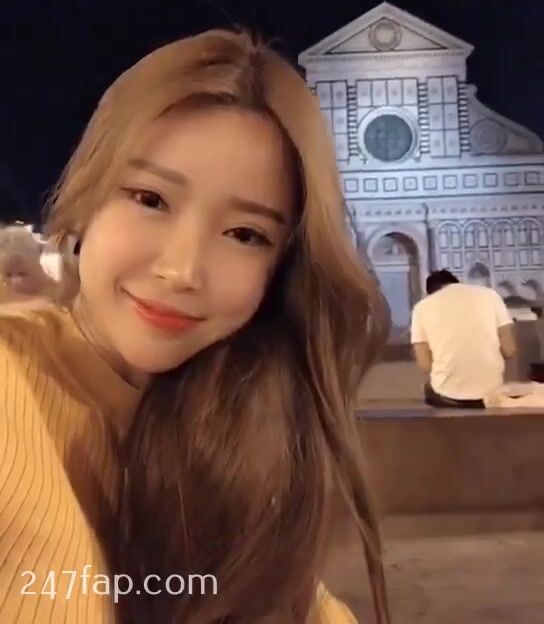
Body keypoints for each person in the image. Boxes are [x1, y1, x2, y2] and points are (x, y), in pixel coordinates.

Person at [0, 30, 391, 624]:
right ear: (87, 196)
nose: (181, 270)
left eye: (245, 234)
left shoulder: (243, 429)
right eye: (150, 199)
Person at [411, 269, 517, 408]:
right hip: (492, 394)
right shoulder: (490, 296)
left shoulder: (422, 307)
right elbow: (509, 350)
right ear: (457, 282)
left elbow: (425, 365)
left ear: (430, 292)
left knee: (427, 387)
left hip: (447, 395)